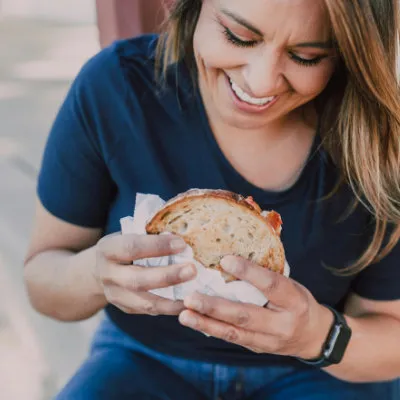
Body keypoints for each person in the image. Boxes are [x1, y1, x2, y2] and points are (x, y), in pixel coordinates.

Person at [24, 0, 400, 399]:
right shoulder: (118, 88)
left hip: (316, 375)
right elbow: (43, 281)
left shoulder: (381, 146)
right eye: (238, 36)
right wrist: (96, 275)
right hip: (144, 357)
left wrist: (315, 336)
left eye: (306, 57)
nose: (261, 82)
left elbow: (390, 336)